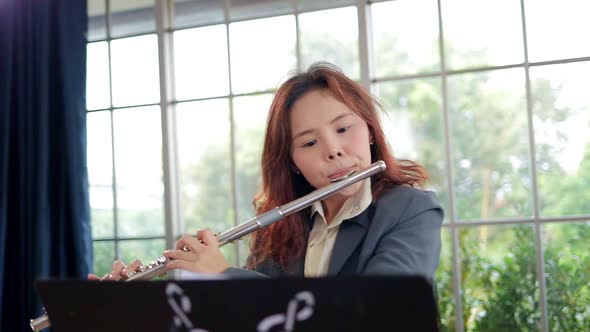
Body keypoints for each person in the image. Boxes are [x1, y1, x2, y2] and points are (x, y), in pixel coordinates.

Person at [89, 62, 443, 283]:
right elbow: (250, 320)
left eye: (343, 129)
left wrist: (224, 274)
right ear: (292, 162)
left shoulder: (412, 210)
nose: (333, 149)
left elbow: (377, 315)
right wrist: (129, 307)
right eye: (309, 143)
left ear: (369, 130)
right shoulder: (279, 227)